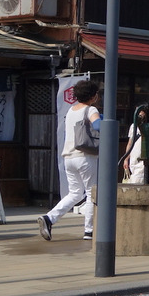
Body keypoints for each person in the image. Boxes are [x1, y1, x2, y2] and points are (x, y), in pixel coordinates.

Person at [40, 79, 101, 241]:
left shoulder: (71, 111)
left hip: (69, 157)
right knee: (91, 193)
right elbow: (99, 125)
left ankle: (49, 218)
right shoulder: (90, 109)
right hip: (86, 157)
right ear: (93, 96)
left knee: (74, 193)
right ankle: (89, 230)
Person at [122, 104, 149, 185]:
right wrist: (126, 159)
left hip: (145, 159)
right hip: (134, 159)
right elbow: (130, 143)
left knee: (139, 179)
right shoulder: (133, 127)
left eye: (141, 113)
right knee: (135, 178)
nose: (139, 115)